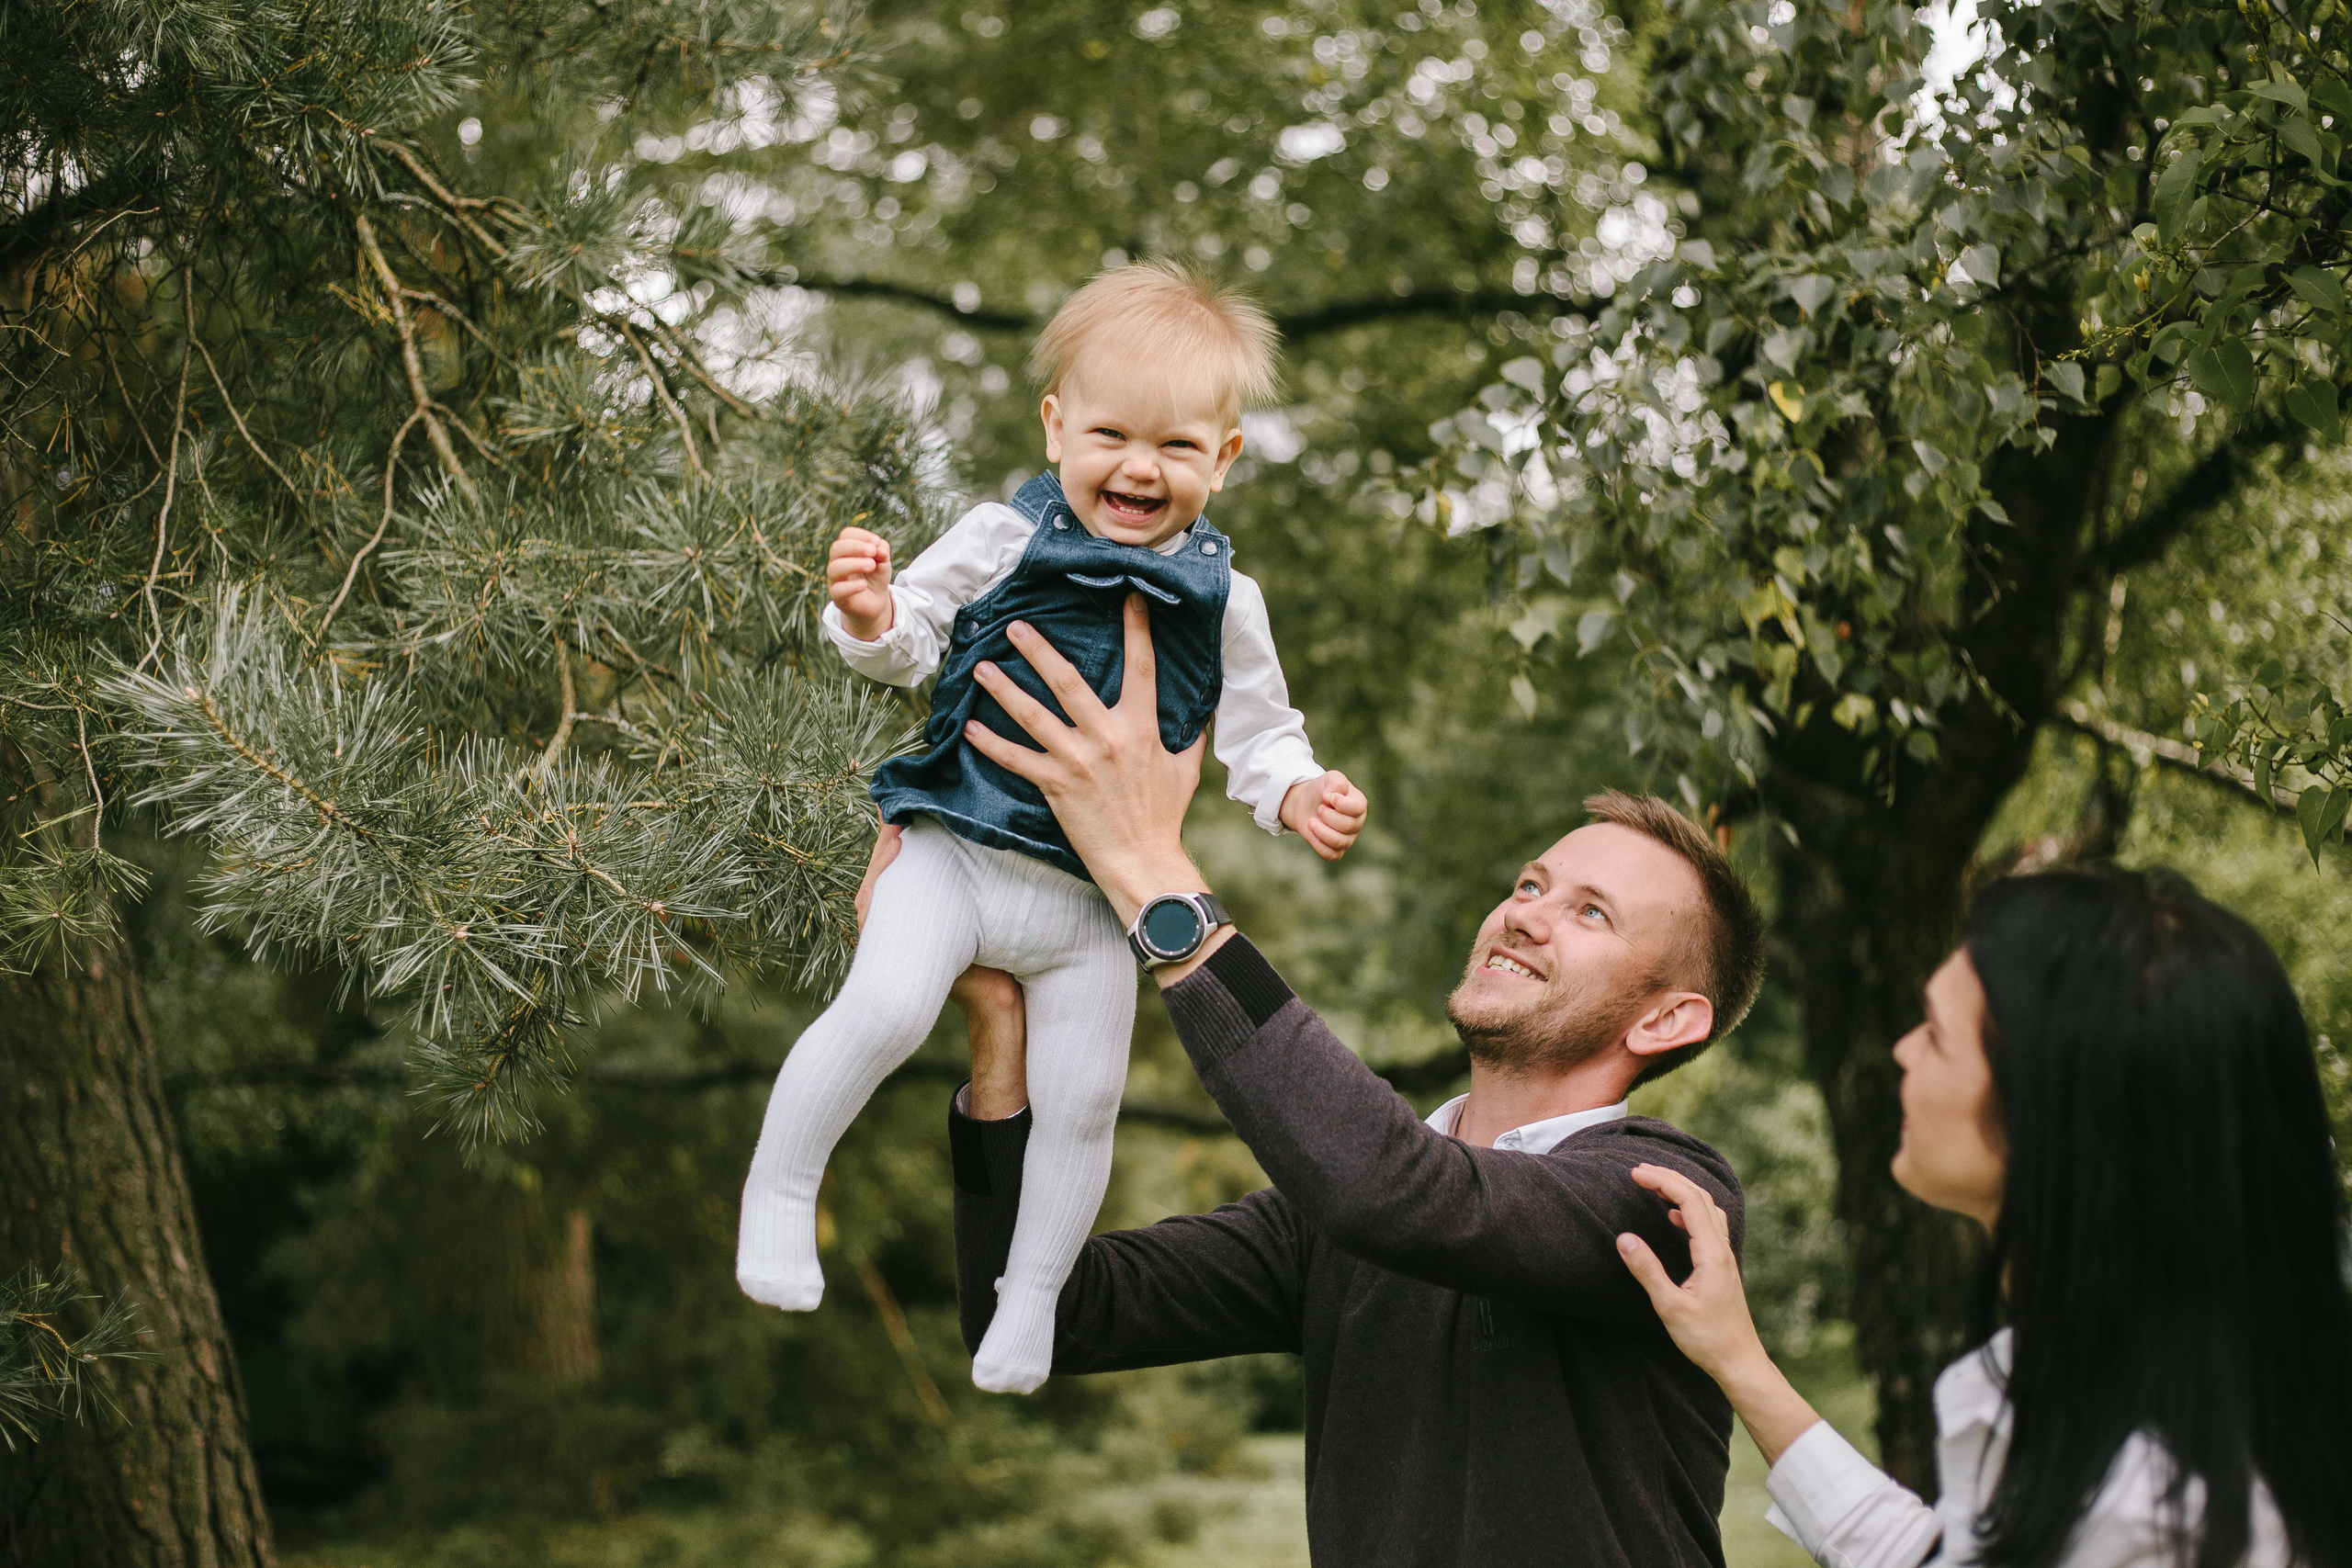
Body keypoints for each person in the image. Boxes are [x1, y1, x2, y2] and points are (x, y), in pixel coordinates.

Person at [904, 593, 1770, 1565]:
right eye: (1530, 885)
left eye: (1591, 914)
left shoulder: (1662, 1201)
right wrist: (999, 1029)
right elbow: (1037, 1312)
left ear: (1666, 1019)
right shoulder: (1327, 1225)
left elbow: (1397, 1193)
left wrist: (1154, 871)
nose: (1525, 914)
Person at [736, 262, 1369, 1393]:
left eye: (1176, 446)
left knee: (1085, 1101)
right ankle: (782, 1194)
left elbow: (1260, 735)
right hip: (958, 850)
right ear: (1056, 425)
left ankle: (1031, 1301)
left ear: (1223, 459)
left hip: (1090, 908)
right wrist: (868, 610)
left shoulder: (1233, 601)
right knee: (882, 1007)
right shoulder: (1003, 533)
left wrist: (1294, 792)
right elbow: (915, 638)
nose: (1138, 467)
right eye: (1111, 434)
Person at [1616, 868, 2352, 1568]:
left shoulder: (2155, 1509)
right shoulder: (2111, 1389)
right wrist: (1738, 1355)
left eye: (1935, 1033)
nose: (1903, 1051)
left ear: (2051, 1109)